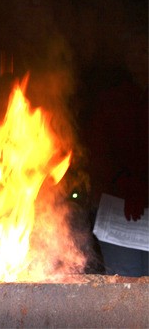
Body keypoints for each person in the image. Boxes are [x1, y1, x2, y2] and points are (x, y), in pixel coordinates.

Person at [86, 28, 148, 277]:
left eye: (144, 50)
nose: (138, 57)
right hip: (119, 212)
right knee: (124, 286)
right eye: (133, 51)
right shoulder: (112, 100)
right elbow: (97, 153)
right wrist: (123, 184)